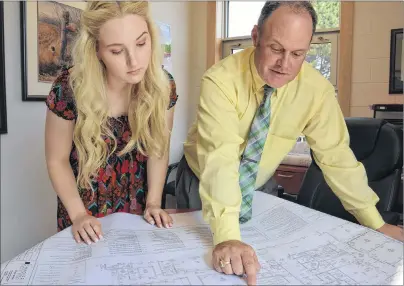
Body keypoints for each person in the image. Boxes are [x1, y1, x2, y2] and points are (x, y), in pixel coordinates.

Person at [178, 1, 403, 284]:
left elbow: (336, 158)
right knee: (205, 266)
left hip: (259, 183)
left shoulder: (316, 91)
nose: (285, 64)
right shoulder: (221, 80)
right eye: (276, 49)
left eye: (298, 53)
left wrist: (376, 222)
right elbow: (219, 159)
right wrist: (227, 237)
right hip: (203, 179)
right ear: (256, 37)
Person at [45, 1, 178, 245]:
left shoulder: (163, 86)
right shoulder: (69, 88)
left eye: (141, 43)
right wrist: (79, 215)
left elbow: (159, 149)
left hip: (137, 210)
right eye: (117, 51)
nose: (134, 61)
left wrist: (154, 202)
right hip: (83, 214)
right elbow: (57, 160)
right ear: (96, 50)